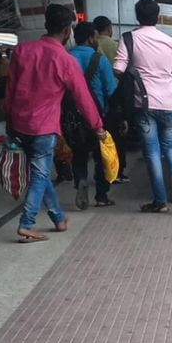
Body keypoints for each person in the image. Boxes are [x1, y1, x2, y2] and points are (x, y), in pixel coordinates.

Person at [3, 6, 106, 242]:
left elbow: (9, 90)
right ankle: (26, 223)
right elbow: (83, 98)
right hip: (43, 127)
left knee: (40, 173)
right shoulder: (65, 60)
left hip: (19, 124)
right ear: (68, 30)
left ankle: (59, 218)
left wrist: (9, 118)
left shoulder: (22, 51)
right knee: (40, 175)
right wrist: (97, 126)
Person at [114, 0, 172, 212]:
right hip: (168, 104)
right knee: (171, 147)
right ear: (158, 16)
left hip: (143, 105)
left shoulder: (129, 39)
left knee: (152, 152)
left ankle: (160, 202)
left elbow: (118, 70)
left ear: (136, 16)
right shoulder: (170, 42)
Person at [68, 23, 116, 209]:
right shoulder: (99, 59)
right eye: (96, 37)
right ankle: (102, 196)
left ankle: (80, 180)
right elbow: (110, 89)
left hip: (73, 117)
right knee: (100, 155)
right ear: (90, 38)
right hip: (98, 115)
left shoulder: (67, 57)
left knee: (79, 153)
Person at [92, 15, 129, 182]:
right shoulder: (115, 46)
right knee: (116, 136)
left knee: (97, 140)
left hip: (91, 99)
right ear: (109, 29)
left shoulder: (91, 45)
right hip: (113, 97)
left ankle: (96, 172)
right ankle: (117, 171)